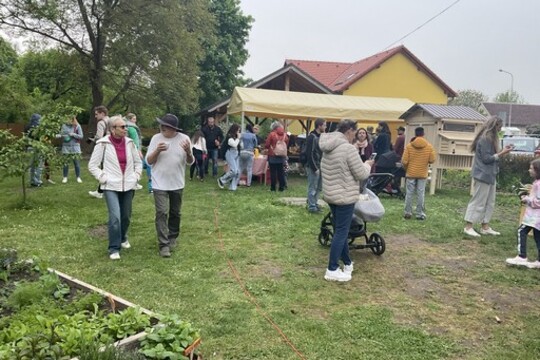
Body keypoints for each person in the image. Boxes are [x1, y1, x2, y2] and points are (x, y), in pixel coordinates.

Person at [319, 119, 373, 282]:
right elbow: (361, 174)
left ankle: (347, 263)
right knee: (341, 232)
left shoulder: (327, 146)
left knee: (339, 231)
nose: (355, 137)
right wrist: (368, 165)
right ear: (349, 131)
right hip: (344, 196)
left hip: (331, 195)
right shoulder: (348, 149)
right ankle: (332, 269)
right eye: (354, 134)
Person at [88, 116, 142, 260]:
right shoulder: (102, 144)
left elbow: (138, 162)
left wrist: (136, 175)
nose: (126, 129)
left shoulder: (130, 143)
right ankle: (114, 248)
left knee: (126, 216)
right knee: (115, 217)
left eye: (125, 126)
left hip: (129, 185)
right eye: (122, 127)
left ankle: (123, 237)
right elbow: (92, 165)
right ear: (112, 129)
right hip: (110, 186)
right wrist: (103, 177)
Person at [146, 114, 194, 258]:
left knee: (175, 212)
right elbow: (148, 161)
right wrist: (157, 150)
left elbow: (190, 162)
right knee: (161, 212)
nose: (161, 128)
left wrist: (188, 152)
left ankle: (172, 236)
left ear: (172, 128)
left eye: (164, 126)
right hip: (159, 182)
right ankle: (163, 245)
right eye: (161, 125)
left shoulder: (184, 139)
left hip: (177, 182)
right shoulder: (156, 139)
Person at [464, 116, 513, 237]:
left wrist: (502, 151)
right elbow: (487, 159)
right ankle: (468, 226)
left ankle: (485, 226)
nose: (500, 130)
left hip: (491, 174)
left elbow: (492, 156)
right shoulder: (485, 139)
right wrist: (502, 153)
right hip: (482, 174)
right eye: (499, 127)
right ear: (494, 126)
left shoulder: (491, 139)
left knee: (490, 201)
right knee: (478, 201)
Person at [505, 158, 540, 268]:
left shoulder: (538, 185)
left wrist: (527, 199)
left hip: (534, 217)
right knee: (537, 237)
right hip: (535, 218)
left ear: (537, 170)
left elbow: (538, 201)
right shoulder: (536, 183)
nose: (529, 170)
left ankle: (522, 256)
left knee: (521, 231)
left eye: (531, 168)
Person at [401, 127, 436, 220]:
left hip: (411, 173)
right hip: (422, 173)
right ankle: (419, 213)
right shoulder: (429, 146)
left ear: (415, 134)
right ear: (423, 134)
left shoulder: (409, 146)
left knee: (409, 193)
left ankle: (407, 212)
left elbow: (404, 161)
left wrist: (407, 167)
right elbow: (432, 160)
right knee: (421, 193)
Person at [305, 118, 326, 213]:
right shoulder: (312, 137)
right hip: (314, 166)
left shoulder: (321, 136)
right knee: (312, 186)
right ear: (319, 126)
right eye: (324, 125)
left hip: (321, 165)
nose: (325, 127)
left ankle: (314, 202)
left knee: (319, 187)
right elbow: (310, 153)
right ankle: (311, 206)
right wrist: (315, 168)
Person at [89, 106, 110, 198]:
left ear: (103, 113)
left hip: (104, 147)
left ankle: (100, 192)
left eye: (97, 114)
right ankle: (101, 191)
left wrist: (93, 139)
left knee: (101, 169)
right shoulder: (111, 120)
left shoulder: (101, 123)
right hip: (112, 147)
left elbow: (99, 137)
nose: (95, 116)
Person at [57, 116, 83, 184]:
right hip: (66, 147)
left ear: (73, 119)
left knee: (76, 163)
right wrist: (59, 135)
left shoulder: (77, 126)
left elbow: (81, 136)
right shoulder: (63, 126)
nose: (68, 120)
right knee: (65, 163)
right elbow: (62, 134)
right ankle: (65, 177)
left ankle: (78, 177)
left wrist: (74, 134)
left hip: (75, 147)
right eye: (67, 119)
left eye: (70, 119)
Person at [265, 121, 289, 192]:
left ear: (273, 127)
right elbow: (286, 143)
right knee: (281, 172)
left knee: (273, 172)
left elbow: (267, 144)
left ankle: (273, 188)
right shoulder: (285, 135)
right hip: (282, 156)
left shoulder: (271, 134)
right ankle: (281, 188)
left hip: (272, 155)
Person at [217, 124, 241, 191]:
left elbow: (239, 145)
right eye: (238, 130)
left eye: (239, 131)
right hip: (230, 153)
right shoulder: (229, 136)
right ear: (234, 130)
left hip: (236, 154)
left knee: (238, 172)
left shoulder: (235, 137)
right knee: (234, 170)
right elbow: (234, 144)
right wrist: (238, 138)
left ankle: (232, 187)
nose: (239, 132)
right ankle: (222, 180)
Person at [125, 113, 144, 190]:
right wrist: (138, 150)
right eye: (134, 119)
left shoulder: (126, 127)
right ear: (130, 119)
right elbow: (135, 140)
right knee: (135, 167)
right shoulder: (132, 128)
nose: (135, 120)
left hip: (128, 149)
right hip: (133, 149)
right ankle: (134, 183)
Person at [24, 113, 43, 187]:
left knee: (31, 166)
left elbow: (25, 137)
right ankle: (37, 181)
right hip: (38, 147)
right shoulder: (39, 127)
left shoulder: (27, 126)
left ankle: (32, 181)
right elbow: (41, 137)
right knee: (38, 165)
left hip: (29, 147)